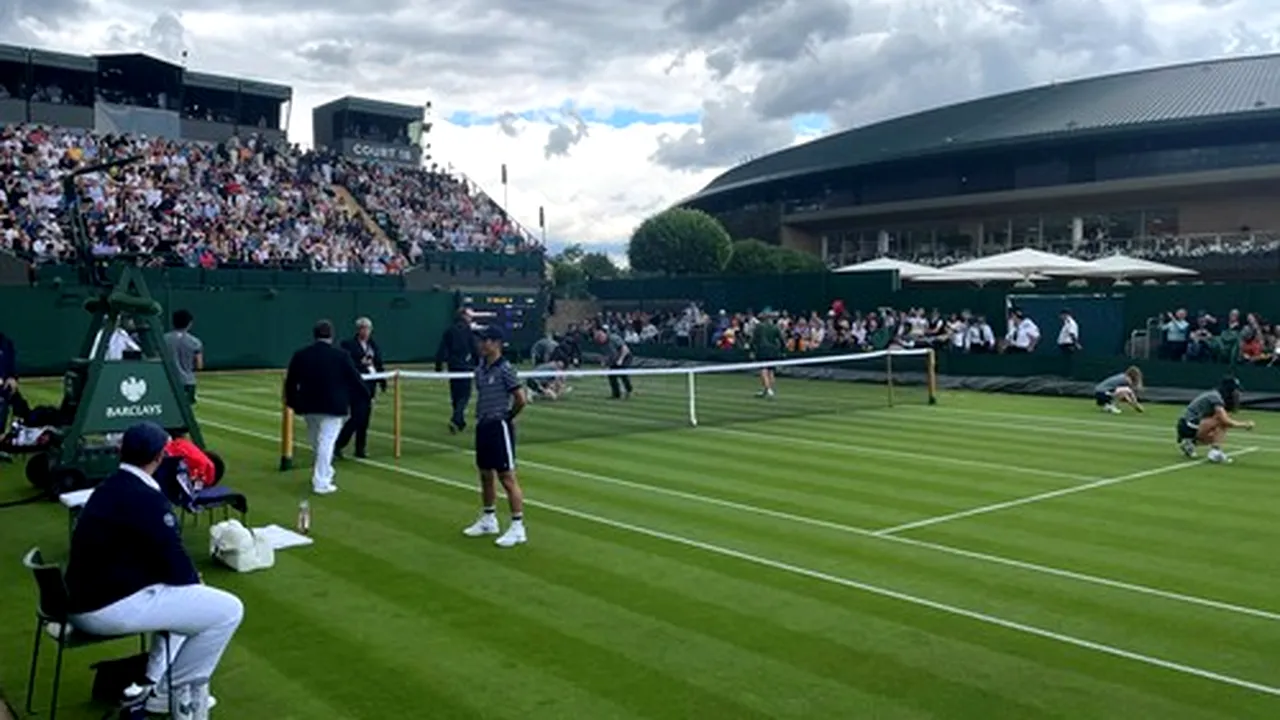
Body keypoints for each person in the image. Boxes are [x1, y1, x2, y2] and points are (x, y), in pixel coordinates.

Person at [64, 422, 243, 718]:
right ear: (160, 456)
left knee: (191, 607)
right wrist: (193, 582)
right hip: (105, 607)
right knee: (229, 610)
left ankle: (158, 682)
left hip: (86, 598)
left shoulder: (109, 487)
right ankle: (167, 692)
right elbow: (175, 561)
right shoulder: (146, 497)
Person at [284, 320, 370, 495]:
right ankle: (321, 481)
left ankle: (325, 472)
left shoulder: (301, 355)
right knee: (325, 442)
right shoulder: (341, 355)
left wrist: (293, 403)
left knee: (318, 442)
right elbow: (355, 379)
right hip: (333, 406)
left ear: (314, 335)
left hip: (309, 406)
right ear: (332, 335)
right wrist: (366, 396)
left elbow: (290, 382)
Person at [461, 327, 528, 548]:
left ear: (496, 343)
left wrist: (507, 417)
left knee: (507, 477)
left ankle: (518, 527)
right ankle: (489, 519)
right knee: (485, 474)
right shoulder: (480, 369)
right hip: (483, 425)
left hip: (499, 426)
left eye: (485, 341)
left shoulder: (506, 369)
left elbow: (520, 399)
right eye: (480, 341)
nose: (480, 345)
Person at [336, 317, 385, 459]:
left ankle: (360, 448)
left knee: (365, 419)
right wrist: (360, 363)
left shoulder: (373, 345)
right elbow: (346, 364)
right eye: (362, 328)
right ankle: (338, 444)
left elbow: (378, 363)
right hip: (356, 386)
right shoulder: (348, 345)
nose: (365, 331)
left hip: (370, 386)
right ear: (358, 330)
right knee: (357, 417)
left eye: (367, 328)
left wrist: (382, 380)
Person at [1176, 375, 1254, 462]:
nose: (1237, 393)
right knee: (1222, 422)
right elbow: (1224, 420)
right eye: (1235, 391)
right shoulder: (1215, 397)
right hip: (1188, 425)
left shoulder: (1217, 397)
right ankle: (1215, 452)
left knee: (1215, 432)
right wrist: (1245, 425)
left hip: (1189, 425)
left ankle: (1189, 444)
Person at [435, 307, 477, 434]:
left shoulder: (450, 330)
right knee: (465, 395)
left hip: (453, 366)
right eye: (468, 316)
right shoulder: (467, 330)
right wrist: (478, 364)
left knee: (456, 395)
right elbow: (474, 349)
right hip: (465, 367)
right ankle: (456, 419)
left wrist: (439, 366)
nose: (470, 318)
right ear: (463, 316)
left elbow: (442, 349)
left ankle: (459, 421)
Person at [164, 309, 204, 405]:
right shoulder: (195, 342)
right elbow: (199, 365)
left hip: (168, 380)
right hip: (187, 381)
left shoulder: (163, 339)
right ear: (189, 323)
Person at [751, 309, 784, 398]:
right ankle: (767, 390)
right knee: (771, 371)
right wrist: (782, 350)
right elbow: (781, 340)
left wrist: (752, 350)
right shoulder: (775, 327)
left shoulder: (758, 327)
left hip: (762, 350)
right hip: (773, 351)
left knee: (764, 370)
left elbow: (754, 340)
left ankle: (768, 389)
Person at [594, 327, 633, 399]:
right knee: (611, 375)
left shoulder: (613, 338)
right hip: (614, 358)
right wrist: (605, 363)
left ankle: (629, 391)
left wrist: (620, 360)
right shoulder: (601, 344)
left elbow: (625, 349)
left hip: (625, 356)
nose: (599, 342)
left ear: (603, 336)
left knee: (623, 374)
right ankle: (616, 394)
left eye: (599, 339)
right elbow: (609, 355)